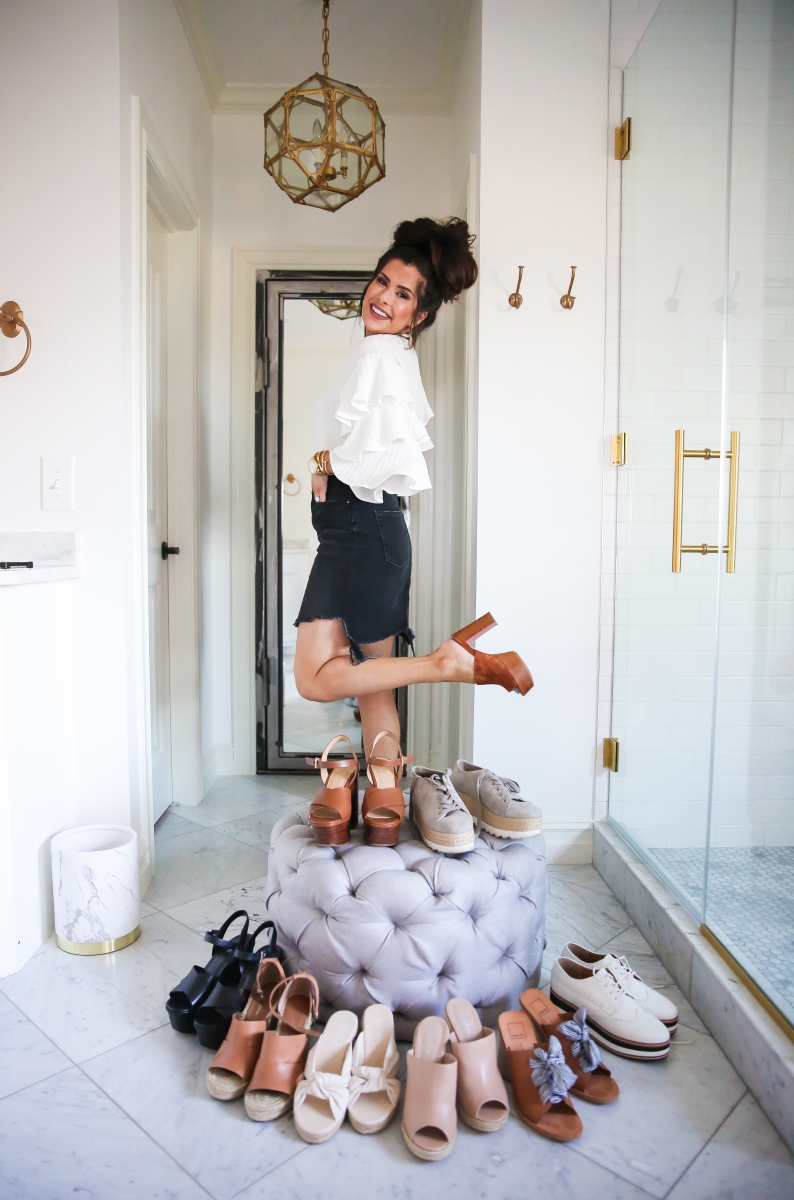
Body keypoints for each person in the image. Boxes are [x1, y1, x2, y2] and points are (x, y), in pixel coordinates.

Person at [293, 217, 532, 842]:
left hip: (359, 530)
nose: (385, 297)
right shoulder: (389, 354)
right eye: (382, 282)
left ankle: (446, 664)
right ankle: (386, 794)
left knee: (315, 677)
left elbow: (370, 459)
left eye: (403, 294)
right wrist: (331, 474)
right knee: (375, 683)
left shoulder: (378, 354)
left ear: (418, 316)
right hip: (372, 532)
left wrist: (326, 469)